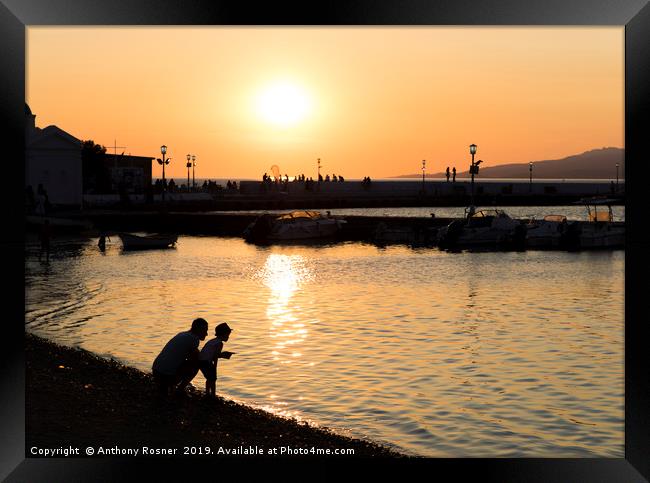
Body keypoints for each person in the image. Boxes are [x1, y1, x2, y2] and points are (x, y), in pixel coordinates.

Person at [152, 318, 209, 396]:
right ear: (198, 330)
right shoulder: (194, 339)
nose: (206, 334)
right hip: (164, 376)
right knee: (197, 364)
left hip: (156, 371)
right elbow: (196, 359)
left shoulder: (182, 334)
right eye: (205, 330)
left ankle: (171, 386)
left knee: (185, 361)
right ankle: (179, 390)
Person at [198, 322, 234, 398]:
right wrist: (215, 366)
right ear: (223, 334)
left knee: (209, 378)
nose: (228, 337)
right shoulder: (219, 343)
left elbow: (213, 354)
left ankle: (207, 393)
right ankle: (213, 395)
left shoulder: (212, 341)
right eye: (227, 335)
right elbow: (215, 356)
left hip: (201, 361)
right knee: (213, 379)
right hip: (207, 362)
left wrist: (221, 355)